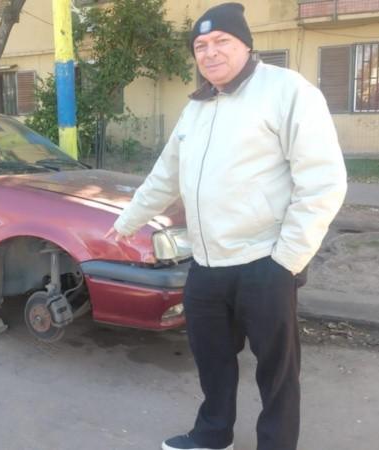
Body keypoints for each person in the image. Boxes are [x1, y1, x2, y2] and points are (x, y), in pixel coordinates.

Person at [105, 3, 347, 450]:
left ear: (246, 45)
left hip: (265, 261)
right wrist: (128, 221)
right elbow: (166, 174)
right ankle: (213, 434)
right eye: (200, 45)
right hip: (206, 262)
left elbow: (323, 182)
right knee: (212, 358)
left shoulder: (288, 91)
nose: (210, 52)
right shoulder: (197, 107)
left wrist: (287, 260)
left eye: (221, 42)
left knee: (276, 368)